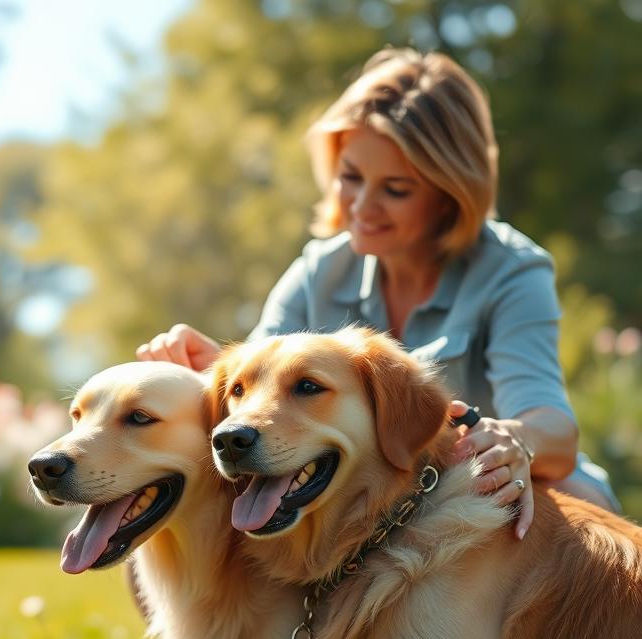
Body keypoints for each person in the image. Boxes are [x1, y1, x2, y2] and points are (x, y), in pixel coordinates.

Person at [136, 46, 620, 537]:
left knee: (572, 516)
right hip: (364, 509)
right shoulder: (318, 270)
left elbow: (555, 430)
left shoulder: (512, 270)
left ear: (448, 194)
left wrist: (515, 438)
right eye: (350, 177)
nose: (362, 206)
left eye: (395, 189)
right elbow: (263, 400)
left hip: (476, 487)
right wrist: (210, 369)